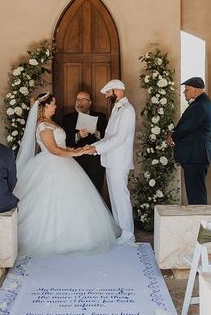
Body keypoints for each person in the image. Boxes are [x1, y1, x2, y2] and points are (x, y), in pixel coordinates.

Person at [15, 92, 119, 256]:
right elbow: (54, 150)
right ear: (46, 106)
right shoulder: (42, 126)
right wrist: (76, 154)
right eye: (53, 104)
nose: (56, 106)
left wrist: (77, 149)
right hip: (50, 165)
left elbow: (62, 146)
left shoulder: (50, 122)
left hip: (65, 163)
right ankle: (53, 239)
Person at [85, 80, 136, 245]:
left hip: (119, 161)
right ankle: (121, 231)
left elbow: (119, 138)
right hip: (111, 160)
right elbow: (108, 137)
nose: (107, 97)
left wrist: (96, 149)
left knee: (121, 197)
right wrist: (93, 146)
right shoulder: (117, 108)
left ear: (116, 90)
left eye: (108, 93)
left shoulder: (127, 110)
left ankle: (128, 233)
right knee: (115, 197)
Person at [166, 77, 211, 205]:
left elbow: (187, 126)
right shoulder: (202, 103)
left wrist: (172, 136)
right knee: (196, 192)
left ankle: (199, 222)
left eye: (187, 90)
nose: (184, 93)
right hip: (196, 155)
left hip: (195, 156)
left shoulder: (199, 105)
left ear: (195, 90)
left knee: (196, 194)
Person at [62, 90, 107, 192]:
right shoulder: (67, 118)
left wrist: (96, 132)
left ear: (90, 102)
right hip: (75, 163)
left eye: (83, 100)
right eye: (77, 99)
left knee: (95, 192)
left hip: (95, 163)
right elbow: (62, 141)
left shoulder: (101, 117)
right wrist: (78, 135)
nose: (79, 102)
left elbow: (107, 138)